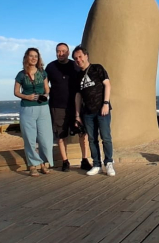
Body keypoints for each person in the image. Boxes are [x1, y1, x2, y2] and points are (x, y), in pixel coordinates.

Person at [45, 43, 92, 172]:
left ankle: (85, 159)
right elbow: (44, 85)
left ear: (68, 52)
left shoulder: (75, 65)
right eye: (58, 51)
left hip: (76, 105)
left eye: (63, 51)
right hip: (58, 106)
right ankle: (65, 161)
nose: (61, 53)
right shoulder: (50, 67)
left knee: (83, 133)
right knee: (61, 135)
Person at [73, 45, 115, 177]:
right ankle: (96, 164)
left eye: (80, 56)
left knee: (106, 137)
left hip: (102, 109)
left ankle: (109, 163)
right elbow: (78, 95)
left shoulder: (97, 68)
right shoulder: (78, 75)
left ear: (86, 56)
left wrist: (106, 103)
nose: (78, 60)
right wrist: (78, 114)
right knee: (92, 139)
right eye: (75, 58)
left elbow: (107, 84)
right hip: (87, 113)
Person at [14, 47, 55, 177]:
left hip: (43, 108)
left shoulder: (42, 73)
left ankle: (43, 162)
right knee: (29, 138)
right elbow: (16, 92)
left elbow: (47, 89)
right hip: (27, 108)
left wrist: (45, 95)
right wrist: (27, 97)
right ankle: (32, 165)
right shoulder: (21, 74)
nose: (33, 58)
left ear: (38, 59)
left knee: (45, 138)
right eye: (31, 56)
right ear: (26, 57)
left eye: (36, 56)